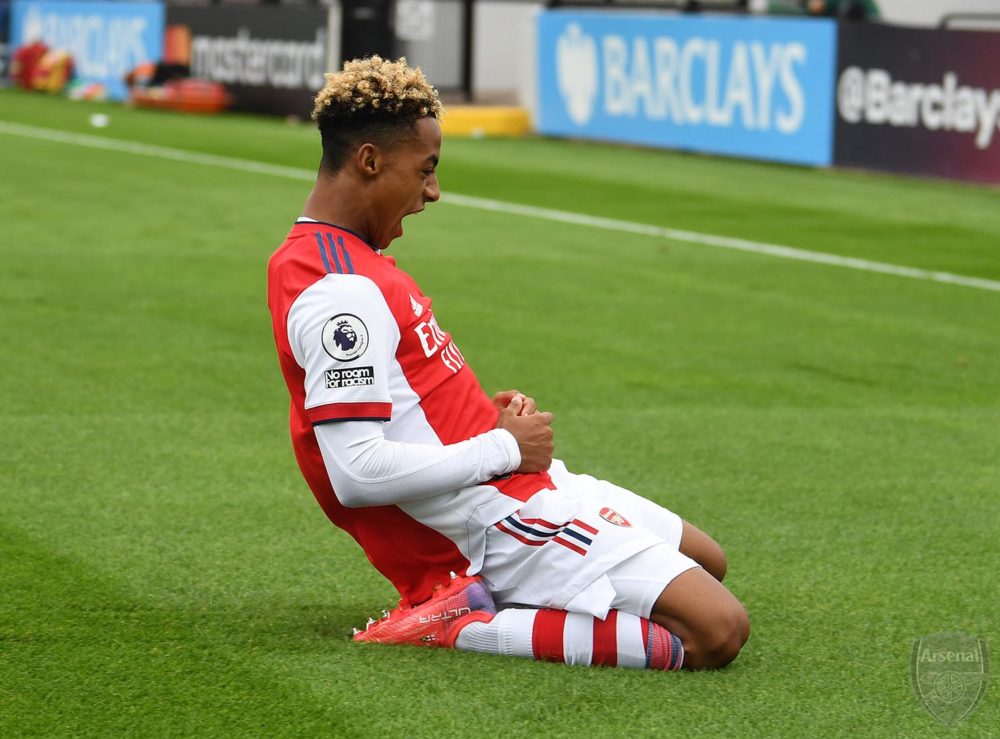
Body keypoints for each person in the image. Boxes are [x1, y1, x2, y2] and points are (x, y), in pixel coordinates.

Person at [267, 56, 749, 671]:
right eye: (427, 169)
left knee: (709, 561)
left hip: (518, 480)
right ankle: (462, 624)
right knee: (716, 631)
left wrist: (485, 419)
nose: (432, 192)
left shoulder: (347, 263)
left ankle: (530, 597)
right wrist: (502, 448)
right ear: (369, 161)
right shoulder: (337, 286)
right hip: (495, 516)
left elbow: (406, 397)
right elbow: (355, 473)